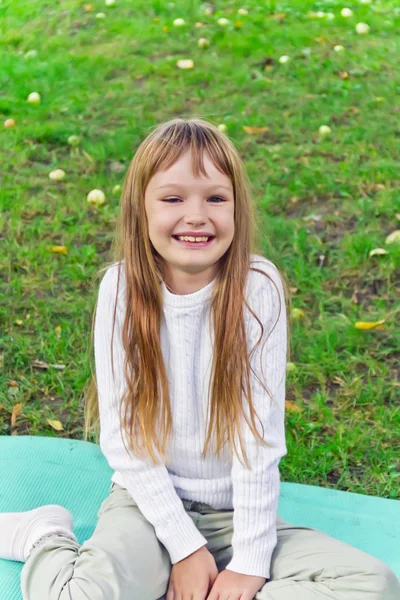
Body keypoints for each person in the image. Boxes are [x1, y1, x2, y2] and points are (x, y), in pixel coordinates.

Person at [1, 118, 399, 600]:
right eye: (172, 199)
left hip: (236, 514)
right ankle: (46, 534)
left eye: (215, 198)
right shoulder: (122, 290)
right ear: (139, 210)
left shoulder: (259, 287)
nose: (196, 216)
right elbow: (126, 440)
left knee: (372, 585)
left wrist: (249, 564)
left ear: (237, 207)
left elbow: (258, 439)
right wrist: (186, 549)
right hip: (146, 505)